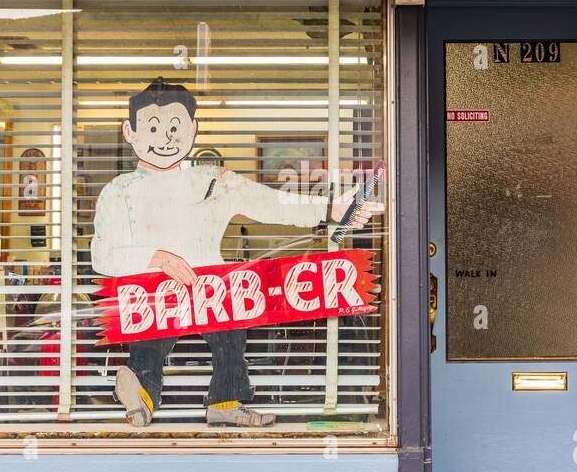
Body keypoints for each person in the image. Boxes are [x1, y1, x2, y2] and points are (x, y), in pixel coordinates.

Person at [90, 78, 382, 428]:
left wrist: (330, 209)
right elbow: (102, 254)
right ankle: (141, 390)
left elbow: (272, 204)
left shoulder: (213, 180)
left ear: (194, 130)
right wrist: (159, 260)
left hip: (212, 291)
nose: (165, 138)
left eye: (175, 127)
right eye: (153, 127)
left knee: (230, 331)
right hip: (150, 295)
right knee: (152, 337)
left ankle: (221, 400)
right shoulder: (117, 192)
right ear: (130, 132)